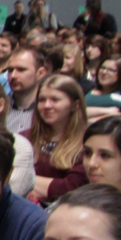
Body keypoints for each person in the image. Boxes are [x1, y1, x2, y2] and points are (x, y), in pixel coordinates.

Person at [24, 74, 90, 202]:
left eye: (55, 100)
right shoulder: (23, 138)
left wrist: (22, 180)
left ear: (75, 105)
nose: (47, 106)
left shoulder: (87, 143)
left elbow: (71, 189)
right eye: (42, 100)